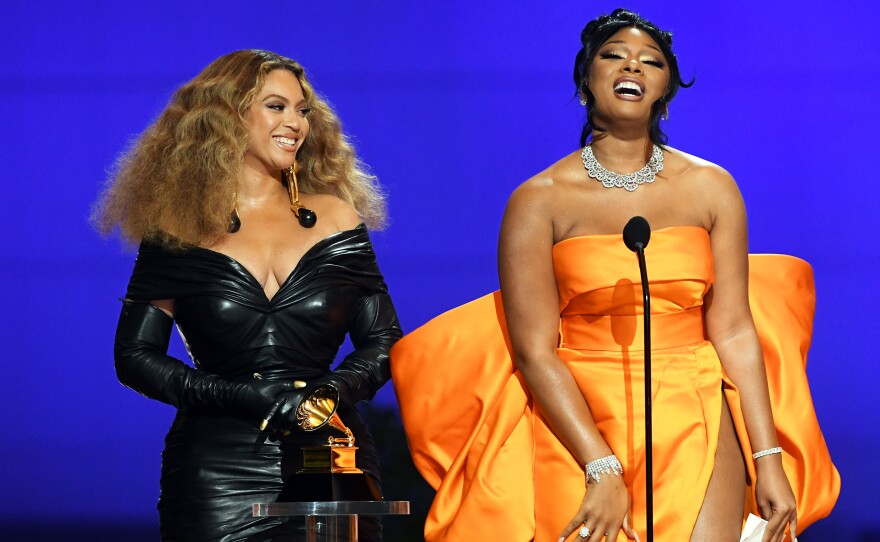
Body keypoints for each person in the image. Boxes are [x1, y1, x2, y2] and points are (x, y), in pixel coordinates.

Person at [390, 9, 838, 542]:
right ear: (587, 76)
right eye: (614, 55)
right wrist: (599, 467)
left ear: (665, 86)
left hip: (694, 406)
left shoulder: (712, 187)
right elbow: (535, 350)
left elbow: (736, 329)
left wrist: (768, 458)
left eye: (651, 61)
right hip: (578, 417)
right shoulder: (539, 200)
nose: (633, 66)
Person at [92, 49, 402, 541]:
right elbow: (134, 355)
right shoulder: (177, 229)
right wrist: (233, 394)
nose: (295, 123)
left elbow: (384, 340)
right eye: (276, 106)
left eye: (302, 110)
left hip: (331, 456)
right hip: (216, 471)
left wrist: (328, 395)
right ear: (228, 116)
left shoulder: (339, 218)